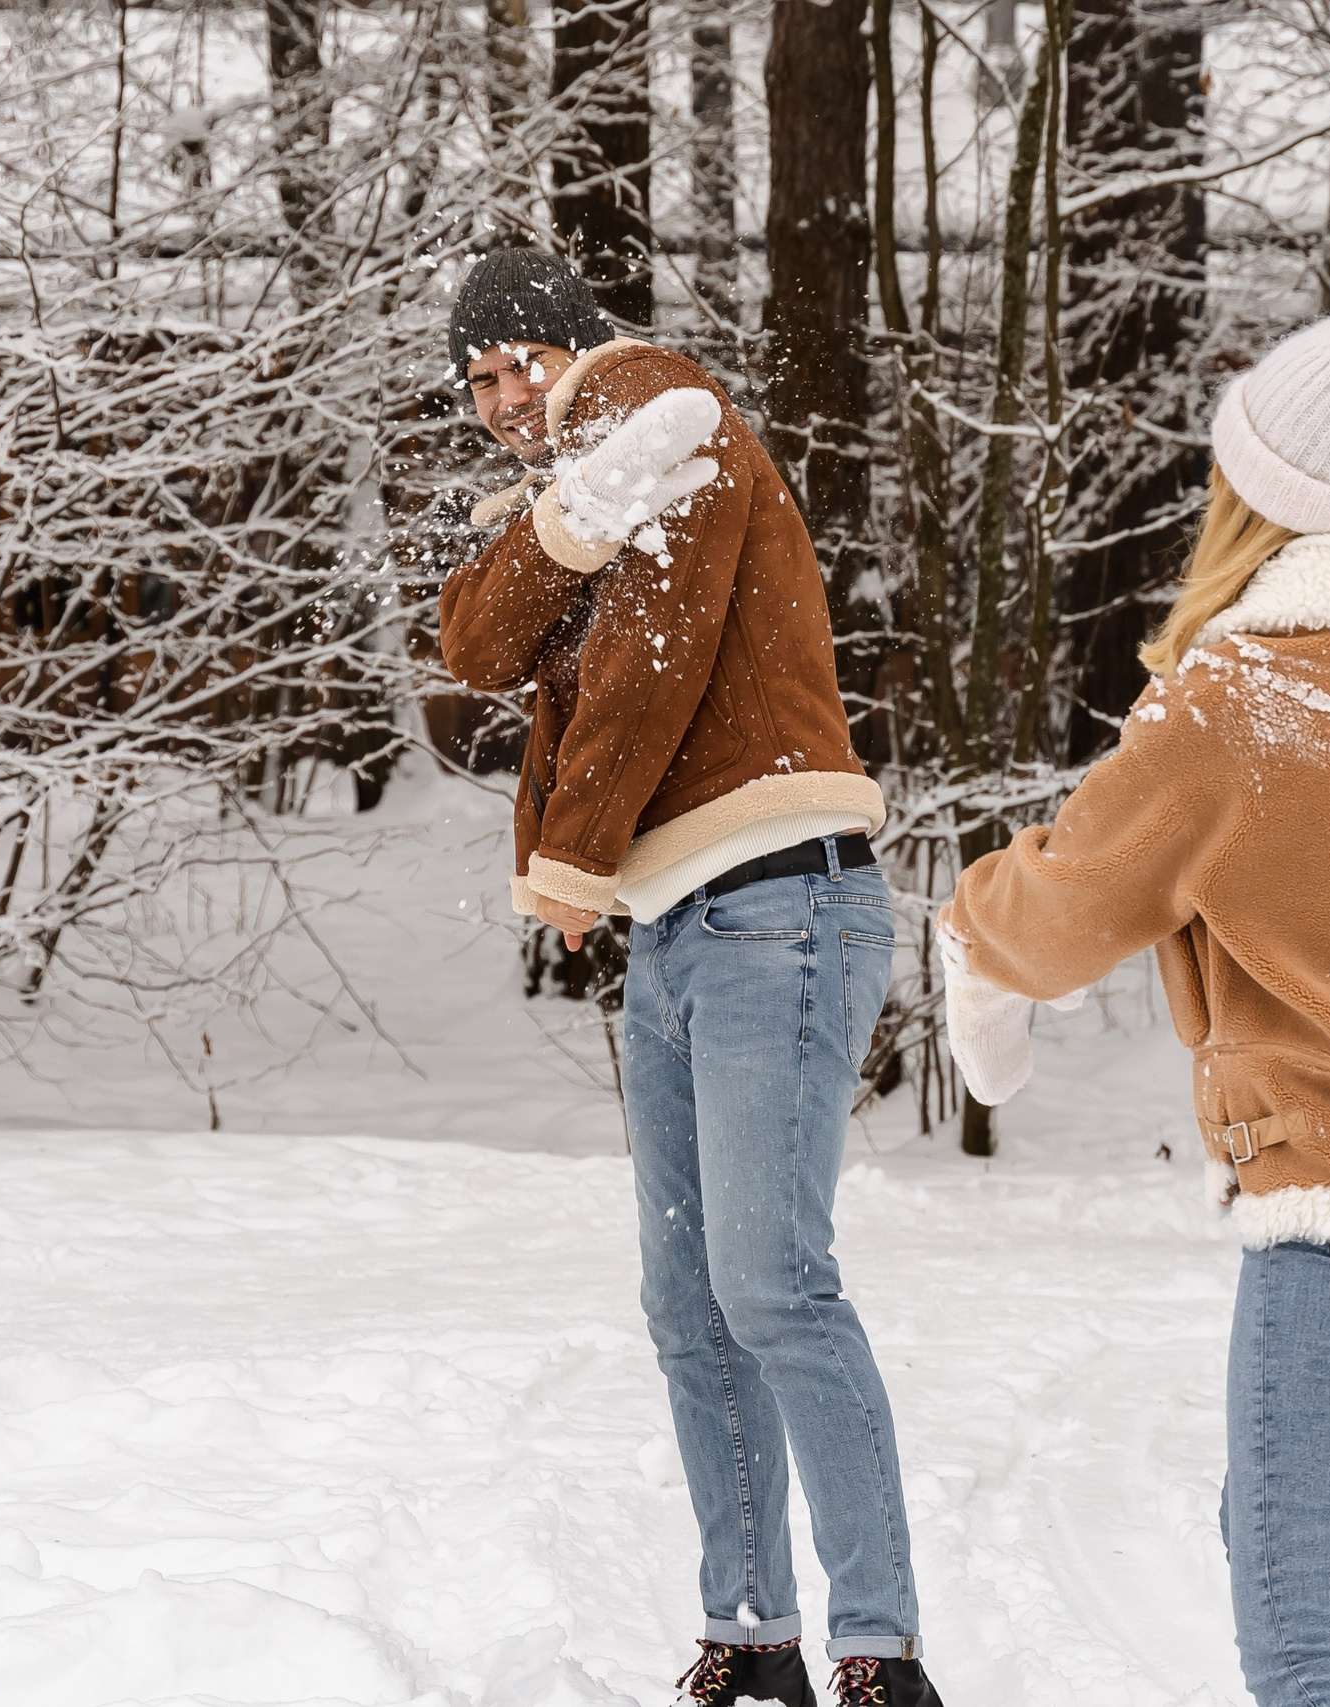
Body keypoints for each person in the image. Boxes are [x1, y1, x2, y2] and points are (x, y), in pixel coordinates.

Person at [938, 311, 1330, 1707]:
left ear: (1252, 496)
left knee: (1304, 1643)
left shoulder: (1245, 693)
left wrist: (967, 931)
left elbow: (1061, 911)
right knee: (1277, 1555)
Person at [434, 250, 944, 1707]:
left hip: (780, 898)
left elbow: (653, 663)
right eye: (475, 382)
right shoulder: (584, 474)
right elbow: (474, 644)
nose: (499, 399)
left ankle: (881, 1654)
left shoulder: (659, 403)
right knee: (691, 1301)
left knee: (772, 1286)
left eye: (516, 363)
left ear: (569, 345)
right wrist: (567, 524)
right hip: (682, 928)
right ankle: (753, 1633)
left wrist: (573, 854)